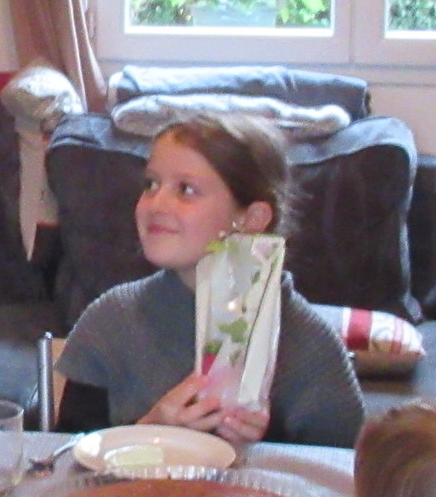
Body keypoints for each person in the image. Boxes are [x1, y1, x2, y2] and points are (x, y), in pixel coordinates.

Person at [54, 115, 362, 448]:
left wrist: (263, 446)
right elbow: (65, 460)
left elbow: (350, 473)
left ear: (252, 218)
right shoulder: (111, 321)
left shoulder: (309, 347)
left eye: (186, 190)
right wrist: (146, 433)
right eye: (151, 184)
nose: (156, 203)